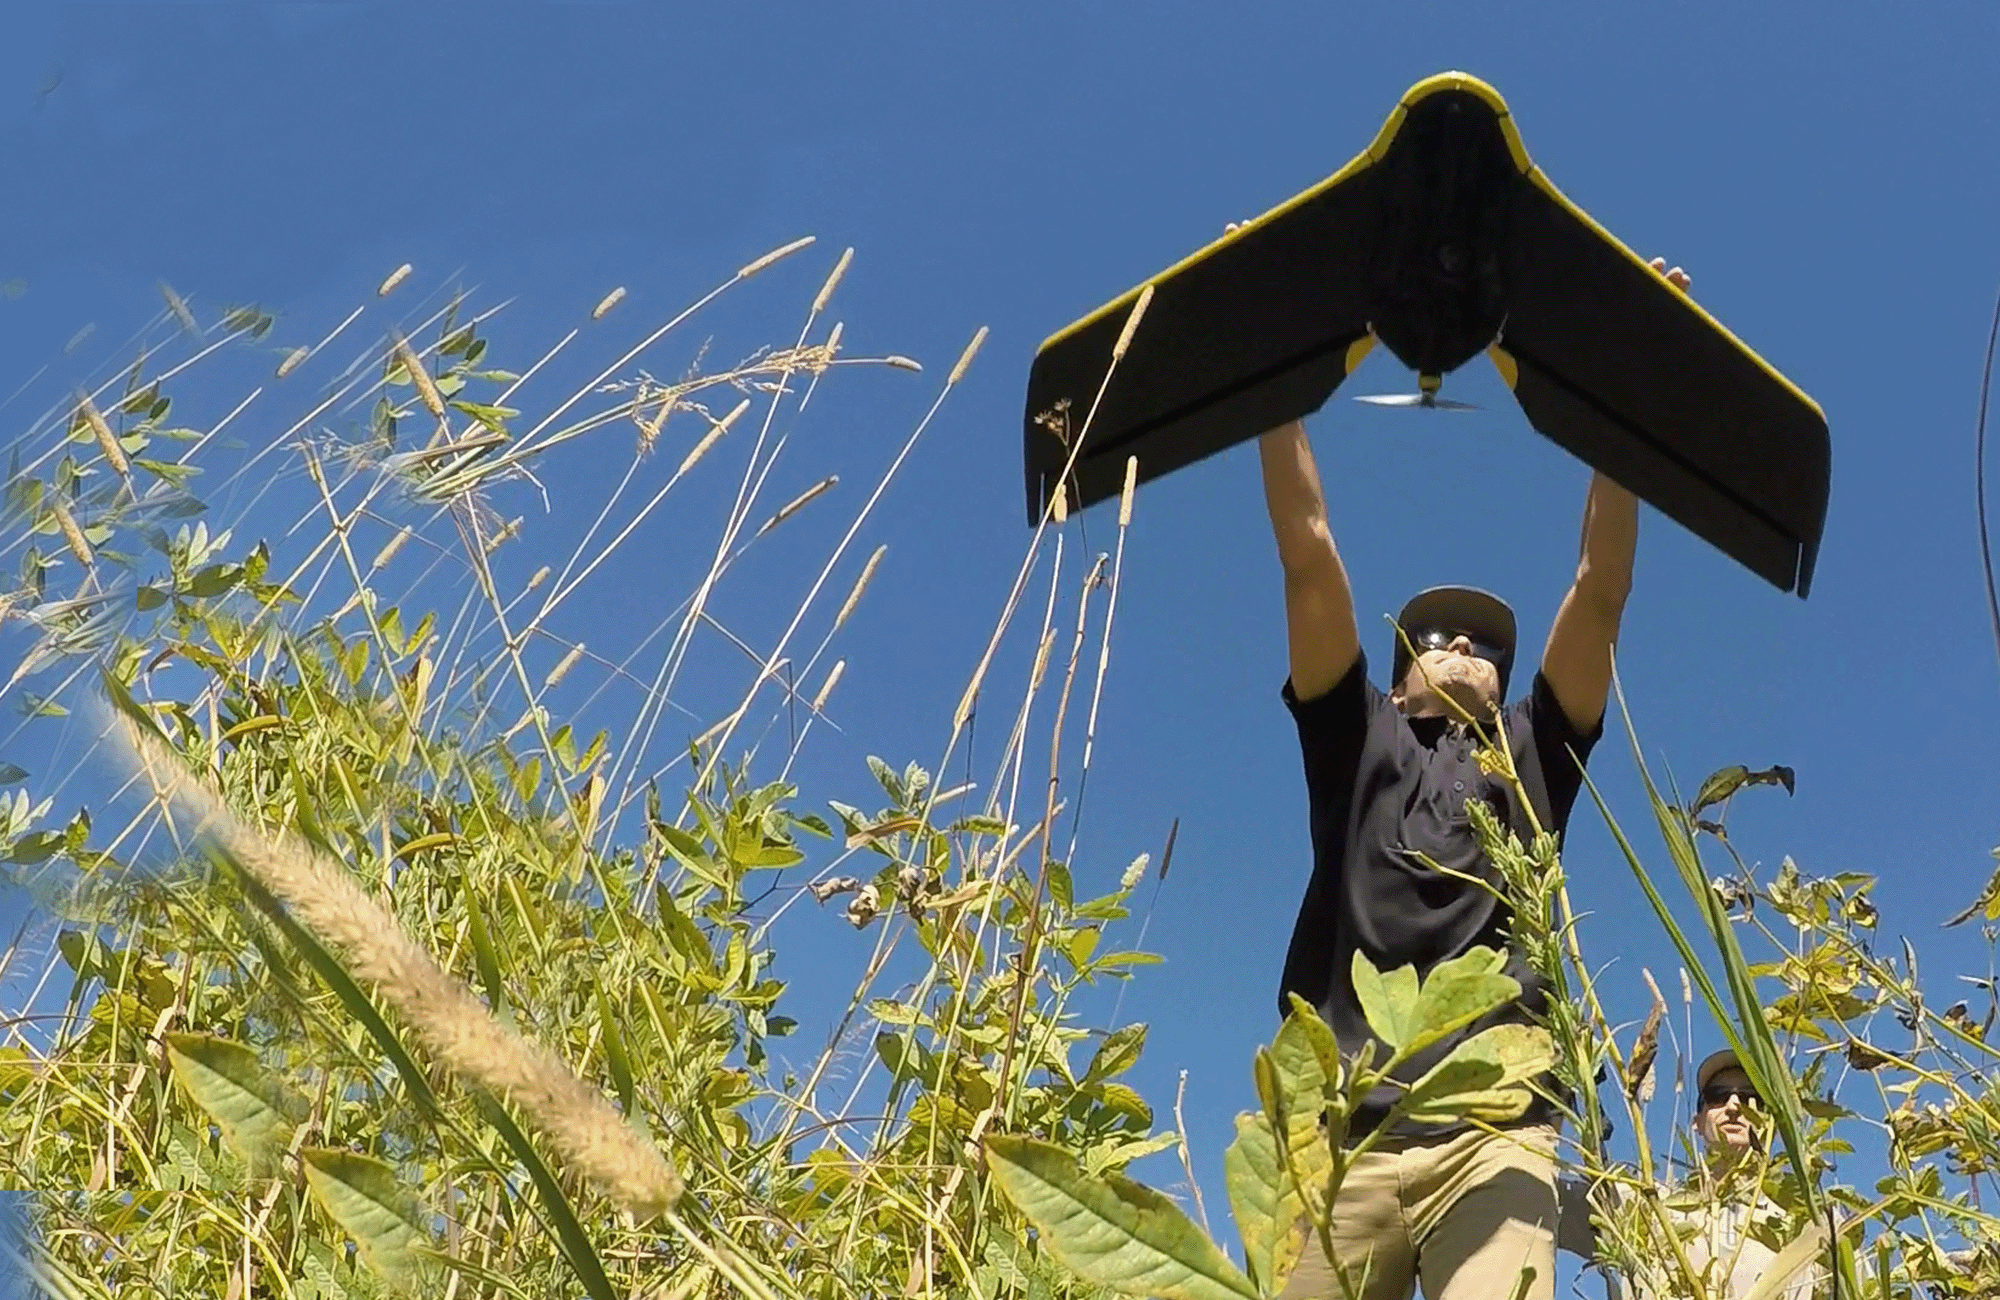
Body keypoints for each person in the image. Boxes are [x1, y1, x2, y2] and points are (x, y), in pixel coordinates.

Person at [1262, 264, 1678, 1300]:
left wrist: (1614, 388)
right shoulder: (1352, 738)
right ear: (1397, 674)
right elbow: (1308, 555)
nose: (1459, 644)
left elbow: (1600, 586)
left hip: (1494, 1134)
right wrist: (1271, 376)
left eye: (1484, 644)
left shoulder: (1535, 753)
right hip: (1338, 1139)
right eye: (1434, 635)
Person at [1557, 1049, 1822, 1300]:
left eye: (1750, 1098)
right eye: (1718, 1096)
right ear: (1697, 1122)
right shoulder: (1650, 1208)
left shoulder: (1805, 1226)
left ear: (1771, 1123)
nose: (1733, 1106)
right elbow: (1547, 1199)